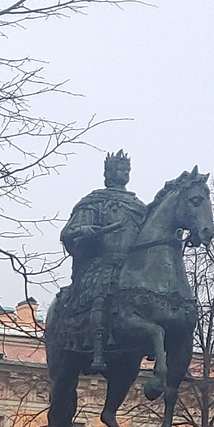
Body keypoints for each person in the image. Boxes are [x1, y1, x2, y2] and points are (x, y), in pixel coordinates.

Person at [60, 150, 147, 371]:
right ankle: (97, 349)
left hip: (132, 267)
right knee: (101, 289)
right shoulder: (95, 202)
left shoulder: (138, 207)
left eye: (127, 169)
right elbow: (68, 232)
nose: (124, 173)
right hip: (101, 263)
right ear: (108, 173)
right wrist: (83, 229)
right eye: (120, 168)